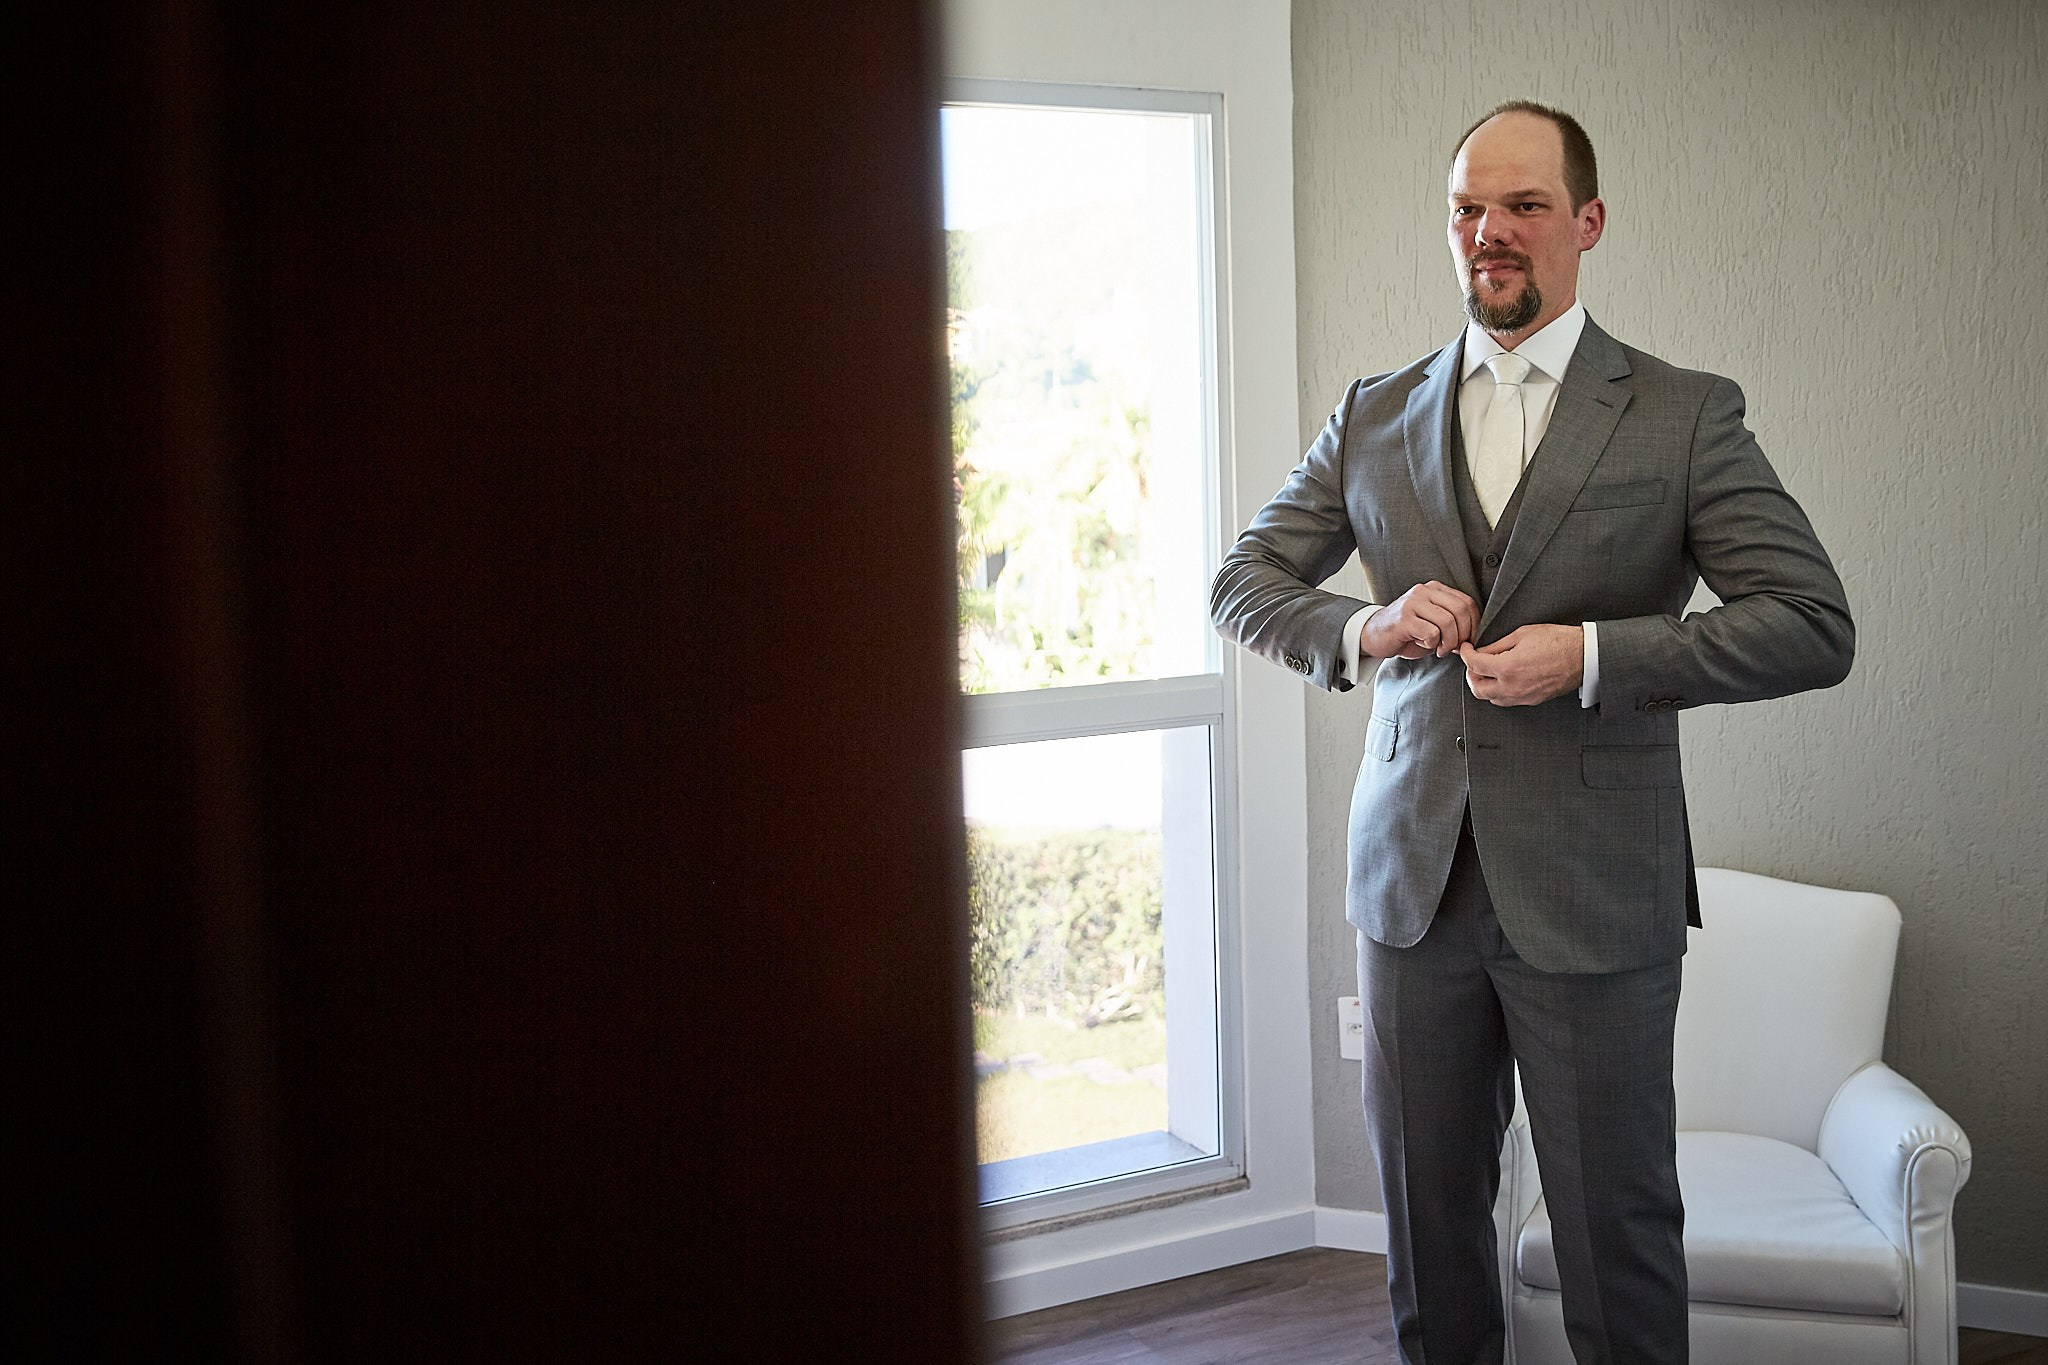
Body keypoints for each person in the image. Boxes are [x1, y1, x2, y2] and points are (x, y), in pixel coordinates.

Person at [1210, 102, 1854, 1365]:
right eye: (1465, 210)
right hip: (1410, 886)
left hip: (1592, 891)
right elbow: (1245, 583)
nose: (1488, 234)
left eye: (1521, 207)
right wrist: (1367, 625)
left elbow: (1809, 623)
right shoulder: (1372, 410)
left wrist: (1598, 653)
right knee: (1425, 1231)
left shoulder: (1681, 414)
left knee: (1614, 1231)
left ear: (1586, 224)